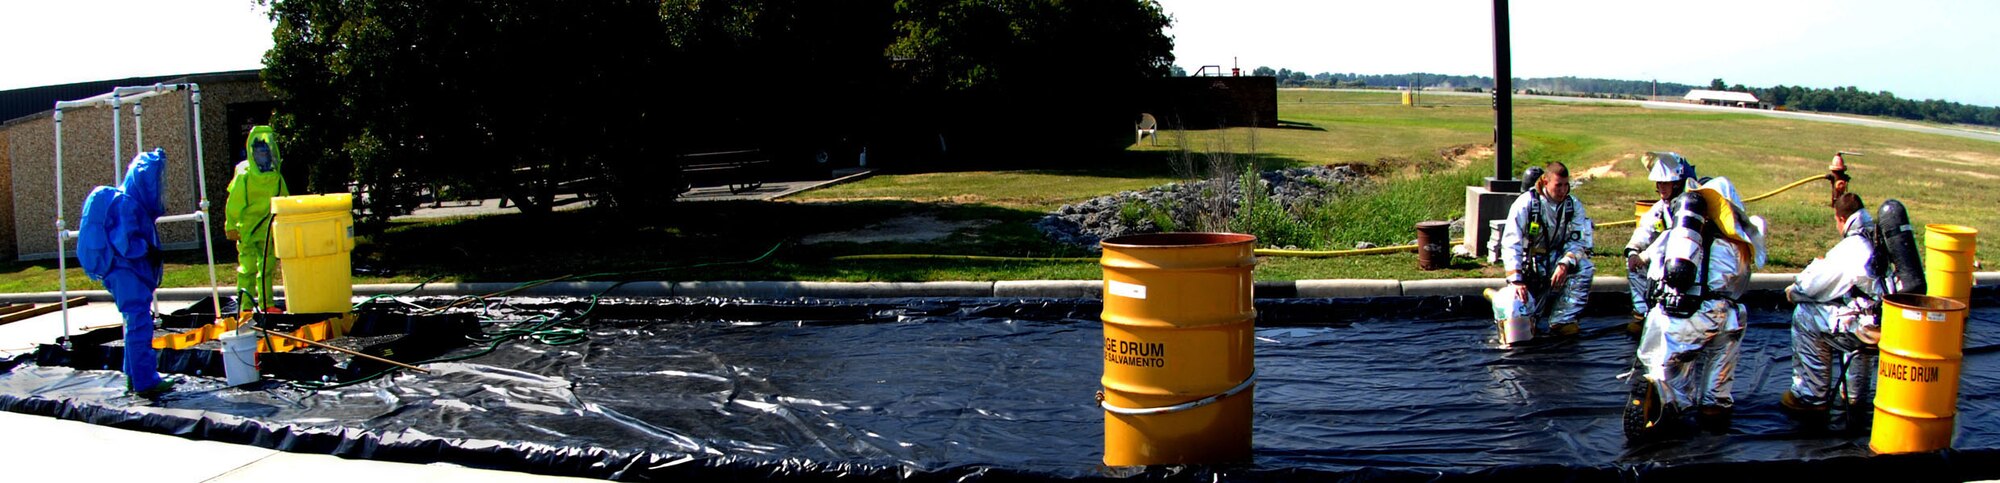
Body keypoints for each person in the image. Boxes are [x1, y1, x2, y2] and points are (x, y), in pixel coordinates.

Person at [1629, 178, 1765, 433]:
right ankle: (1714, 404)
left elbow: (1647, 262)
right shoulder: (1735, 245)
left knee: (1669, 367)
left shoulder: (1677, 234)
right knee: (1728, 335)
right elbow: (1738, 284)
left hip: (1671, 313)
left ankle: (1661, 395)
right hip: (1716, 315)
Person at [76, 149, 174, 397]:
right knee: (139, 323)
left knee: (135, 322)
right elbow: (126, 243)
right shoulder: (127, 204)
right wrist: (147, 250)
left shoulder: (125, 201)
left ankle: (134, 375)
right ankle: (145, 380)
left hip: (122, 272)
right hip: (126, 272)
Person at [1782, 192, 1884, 414]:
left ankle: (1810, 396)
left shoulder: (1852, 247)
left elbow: (1814, 285)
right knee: (1859, 312)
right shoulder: (1879, 238)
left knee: (1805, 314)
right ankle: (1856, 396)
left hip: (1865, 328)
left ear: (1840, 219)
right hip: (1888, 323)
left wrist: (1795, 290)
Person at [1492, 162, 1594, 339]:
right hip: (1529, 264)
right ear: (1545, 182)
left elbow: (1579, 241)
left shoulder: (1573, 206)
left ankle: (1562, 320)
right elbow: (1511, 241)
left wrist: (1565, 263)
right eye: (1558, 185)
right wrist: (1516, 279)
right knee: (1517, 315)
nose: (1563, 190)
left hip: (1556, 260)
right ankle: (1526, 318)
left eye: (1565, 185)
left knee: (1584, 267)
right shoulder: (1526, 204)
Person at [1626, 152, 1697, 330]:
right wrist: (1633, 250)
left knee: (1658, 266)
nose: (1661, 188)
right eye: (1659, 183)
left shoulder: (1690, 207)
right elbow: (1646, 228)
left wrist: (1645, 256)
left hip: (1689, 262)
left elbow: (1672, 235)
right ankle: (1643, 315)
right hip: (1668, 259)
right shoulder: (1662, 206)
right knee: (1634, 267)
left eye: (1666, 183)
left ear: (1677, 183)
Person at [225, 126, 289, 311]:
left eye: (266, 151)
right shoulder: (245, 174)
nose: (264, 155)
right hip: (247, 230)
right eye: (260, 152)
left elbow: (284, 201)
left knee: (267, 269)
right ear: (252, 153)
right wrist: (231, 225)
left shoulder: (275, 176)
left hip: (267, 229)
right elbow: (234, 202)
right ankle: (244, 308)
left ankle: (267, 304)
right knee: (248, 269)